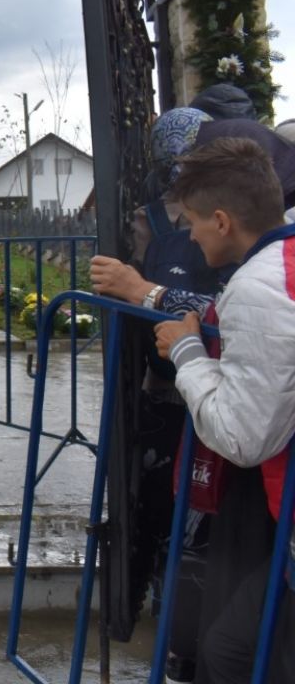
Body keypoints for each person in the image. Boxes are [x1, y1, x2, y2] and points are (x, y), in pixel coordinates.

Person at [154, 137, 295, 683]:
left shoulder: (258, 288)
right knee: (234, 649)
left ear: (221, 221)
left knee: (235, 655)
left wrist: (187, 353)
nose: (189, 234)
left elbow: (242, 437)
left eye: (192, 221)